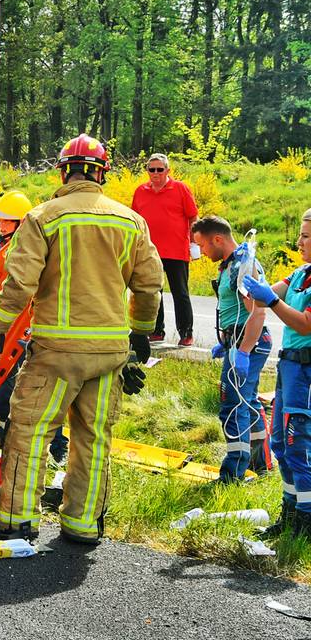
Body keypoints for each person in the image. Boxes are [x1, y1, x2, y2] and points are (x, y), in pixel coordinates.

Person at [0, 134, 162, 544]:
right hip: (109, 353)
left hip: (56, 352)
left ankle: (16, 519)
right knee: (94, 438)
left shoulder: (44, 217)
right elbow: (149, 286)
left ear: (63, 170)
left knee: (29, 431)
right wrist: (140, 333)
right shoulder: (130, 221)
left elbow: (20, 281)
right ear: (103, 174)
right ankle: (82, 525)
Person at [240, 209, 311, 539]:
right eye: (300, 234)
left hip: (306, 372)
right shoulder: (299, 274)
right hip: (288, 367)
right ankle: (290, 513)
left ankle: (307, 521)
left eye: (306, 236)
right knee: (281, 444)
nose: (299, 241)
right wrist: (247, 271)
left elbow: (305, 323)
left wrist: (271, 300)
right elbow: (260, 296)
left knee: (300, 446)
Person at [0, 191, 69, 465]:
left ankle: (58, 446)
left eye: (7, 222)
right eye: (0, 221)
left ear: (20, 222)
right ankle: (7, 440)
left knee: (40, 393)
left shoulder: (31, 245)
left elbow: (23, 287)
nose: (2, 226)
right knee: (3, 391)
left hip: (29, 333)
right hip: (7, 331)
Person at [191, 216, 271, 482]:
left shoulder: (243, 265)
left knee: (232, 407)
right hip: (237, 341)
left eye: (202, 246)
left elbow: (257, 313)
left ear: (218, 239)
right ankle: (263, 464)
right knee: (247, 402)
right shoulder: (229, 265)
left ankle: (232, 475)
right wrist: (225, 343)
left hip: (249, 342)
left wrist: (244, 350)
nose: (201, 253)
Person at [131, 153, 199, 346]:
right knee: (153, 293)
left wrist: (194, 244)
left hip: (177, 251)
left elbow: (193, 217)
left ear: (168, 170)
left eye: (160, 169)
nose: (155, 173)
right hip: (150, 252)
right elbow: (135, 221)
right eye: (151, 169)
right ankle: (156, 331)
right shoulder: (140, 191)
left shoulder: (180, 189)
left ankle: (186, 333)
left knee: (181, 293)